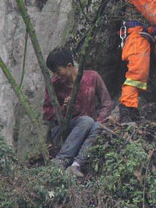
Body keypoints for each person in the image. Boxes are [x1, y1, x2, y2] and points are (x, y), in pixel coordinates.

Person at [43, 47, 112, 178]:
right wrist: (63, 108)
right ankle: (61, 161)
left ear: (69, 66)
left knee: (97, 125)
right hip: (63, 130)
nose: (56, 75)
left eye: (57, 71)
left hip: (88, 127)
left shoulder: (92, 77)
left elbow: (106, 103)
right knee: (87, 121)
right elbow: (47, 113)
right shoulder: (54, 84)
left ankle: (76, 165)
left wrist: (100, 121)